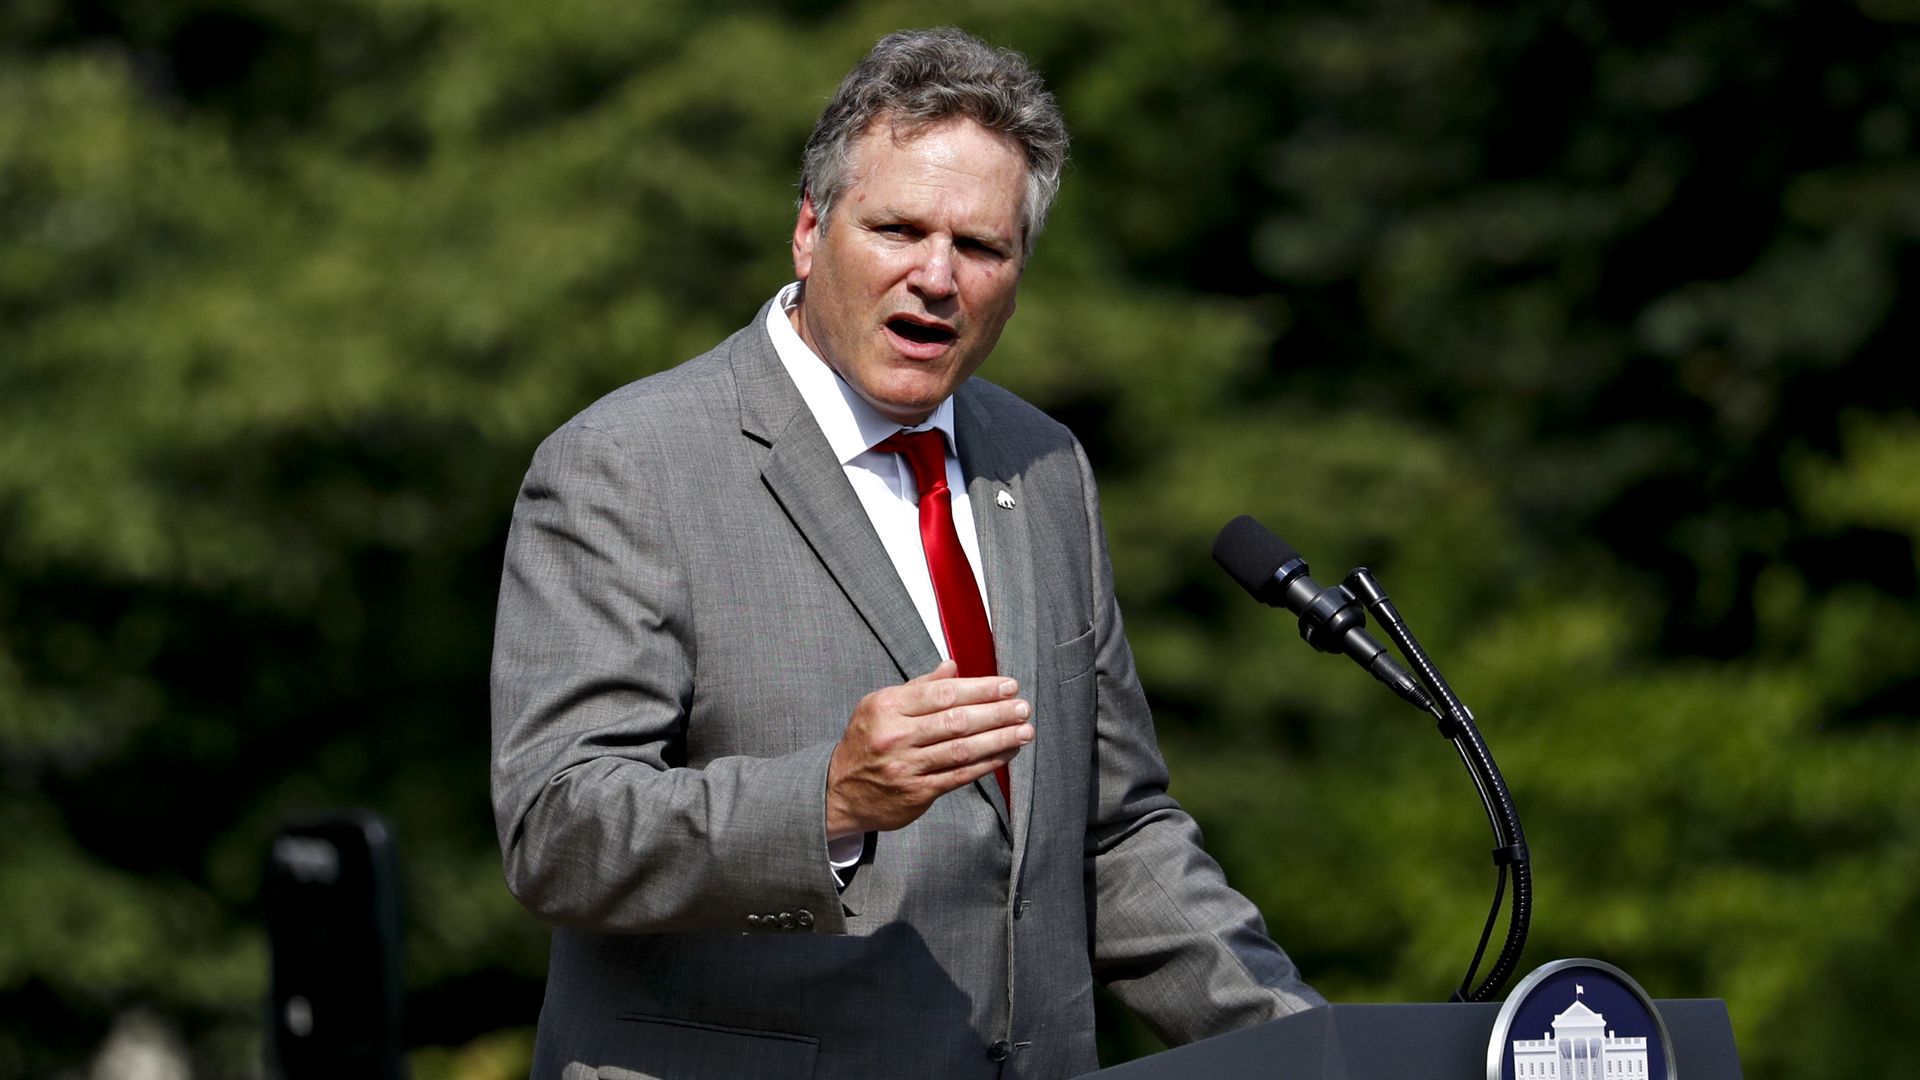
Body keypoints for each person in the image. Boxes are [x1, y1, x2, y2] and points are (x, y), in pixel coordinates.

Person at [490, 27, 1324, 1080]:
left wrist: (1313, 1046)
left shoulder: (1044, 463)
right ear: (809, 231)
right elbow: (559, 830)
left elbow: (1116, 837)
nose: (937, 276)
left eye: (980, 247)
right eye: (897, 230)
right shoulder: (627, 465)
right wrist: (827, 801)